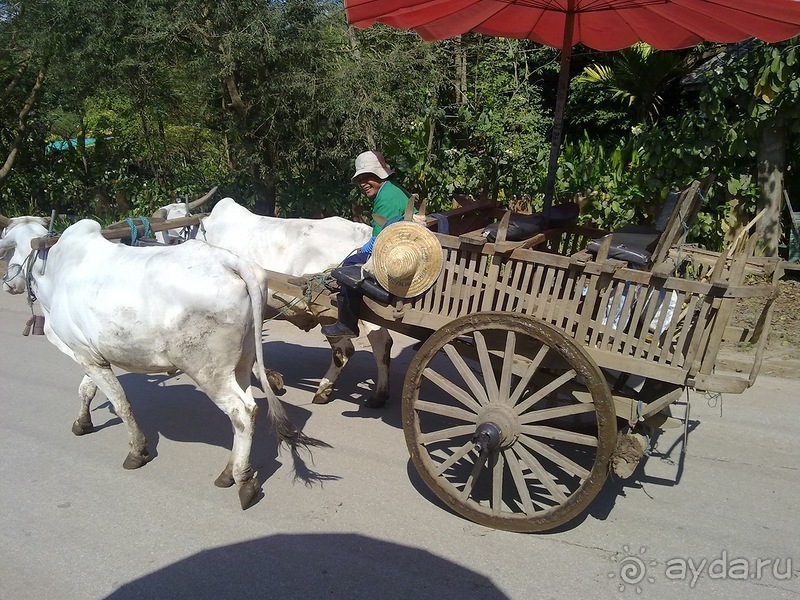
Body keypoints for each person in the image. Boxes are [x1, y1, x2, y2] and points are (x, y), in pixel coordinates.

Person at [320, 150, 409, 338]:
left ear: (380, 175)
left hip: (397, 254)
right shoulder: (393, 190)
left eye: (368, 177)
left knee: (349, 266)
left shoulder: (386, 198)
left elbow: (378, 241)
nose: (363, 184)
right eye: (360, 179)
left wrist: (363, 249)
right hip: (403, 245)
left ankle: (347, 323)